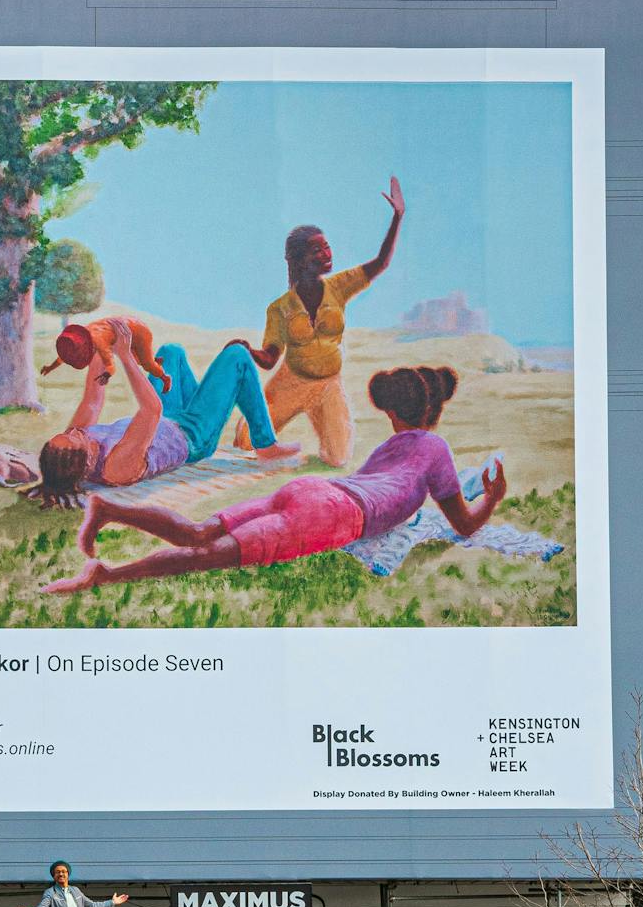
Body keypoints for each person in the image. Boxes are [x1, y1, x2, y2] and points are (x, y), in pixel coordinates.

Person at [43, 363, 507, 594]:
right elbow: (464, 525)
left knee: (202, 532)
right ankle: (107, 574)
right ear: (433, 410)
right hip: (331, 514)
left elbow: (384, 492)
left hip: (313, 492)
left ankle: (110, 509)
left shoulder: (391, 447)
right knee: (208, 556)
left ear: (393, 413)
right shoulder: (436, 450)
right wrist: (492, 497)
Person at [29, 318, 300, 508]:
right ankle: (266, 445)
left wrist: (100, 347)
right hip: (192, 434)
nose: (75, 430)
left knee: (171, 353)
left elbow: (92, 400)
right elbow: (151, 409)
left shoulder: (75, 445)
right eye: (76, 437)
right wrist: (124, 356)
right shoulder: (115, 468)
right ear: (86, 462)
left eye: (70, 432)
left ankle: (212, 397)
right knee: (238, 356)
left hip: (170, 417)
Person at [234, 176, 405, 467]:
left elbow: (381, 263)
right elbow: (270, 358)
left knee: (338, 458)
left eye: (327, 247)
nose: (327, 254)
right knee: (245, 443)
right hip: (291, 382)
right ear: (300, 260)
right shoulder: (280, 308)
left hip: (328, 385)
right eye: (318, 250)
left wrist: (398, 217)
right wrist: (247, 351)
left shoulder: (339, 287)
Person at [41, 316, 172, 395]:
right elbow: (66, 355)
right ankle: (153, 360)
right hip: (123, 328)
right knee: (138, 359)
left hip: (138, 331)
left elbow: (110, 366)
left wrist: (106, 375)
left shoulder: (99, 342)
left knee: (147, 365)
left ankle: (165, 377)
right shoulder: (80, 337)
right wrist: (50, 367)